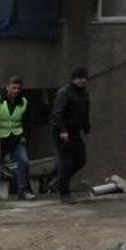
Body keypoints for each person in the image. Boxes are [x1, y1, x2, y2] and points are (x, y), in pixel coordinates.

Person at [0, 75, 34, 200]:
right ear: (7, 87)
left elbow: (28, 121)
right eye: (13, 88)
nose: (16, 91)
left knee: (24, 162)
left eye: (18, 88)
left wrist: (24, 136)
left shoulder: (24, 102)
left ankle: (23, 191)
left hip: (16, 138)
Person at [50, 67, 91, 204]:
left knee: (80, 160)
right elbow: (57, 114)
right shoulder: (64, 93)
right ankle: (64, 193)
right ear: (74, 79)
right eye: (79, 78)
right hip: (62, 132)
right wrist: (62, 130)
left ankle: (59, 181)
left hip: (75, 131)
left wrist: (86, 128)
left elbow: (85, 112)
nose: (82, 80)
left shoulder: (84, 94)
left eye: (84, 78)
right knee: (66, 161)